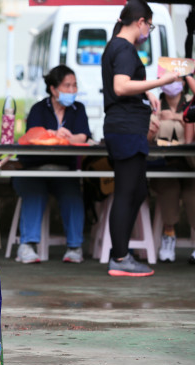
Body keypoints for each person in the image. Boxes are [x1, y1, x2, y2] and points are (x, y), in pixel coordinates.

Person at [101, 0, 179, 277]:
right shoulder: (123, 48)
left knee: (137, 191)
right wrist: (161, 81)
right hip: (125, 128)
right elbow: (120, 86)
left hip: (127, 126)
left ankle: (119, 252)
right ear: (141, 22)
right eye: (150, 25)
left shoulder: (116, 46)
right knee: (126, 191)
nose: (148, 30)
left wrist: (146, 93)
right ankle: (120, 258)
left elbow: (124, 84)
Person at [12, 65, 90, 264]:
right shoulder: (39, 108)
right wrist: (53, 134)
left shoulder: (78, 109)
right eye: (67, 86)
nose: (72, 90)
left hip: (64, 170)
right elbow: (33, 136)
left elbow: (83, 136)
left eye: (74, 85)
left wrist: (69, 137)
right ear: (54, 89)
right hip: (34, 169)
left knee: (72, 194)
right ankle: (27, 246)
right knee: (34, 192)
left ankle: (75, 247)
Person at [148, 76, 195, 264]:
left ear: (184, 82)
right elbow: (148, 138)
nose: (171, 83)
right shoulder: (154, 104)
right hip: (163, 164)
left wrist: (176, 117)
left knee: (192, 194)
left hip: (190, 164)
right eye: (166, 79)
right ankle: (169, 234)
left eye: (176, 79)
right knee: (170, 189)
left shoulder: (191, 104)